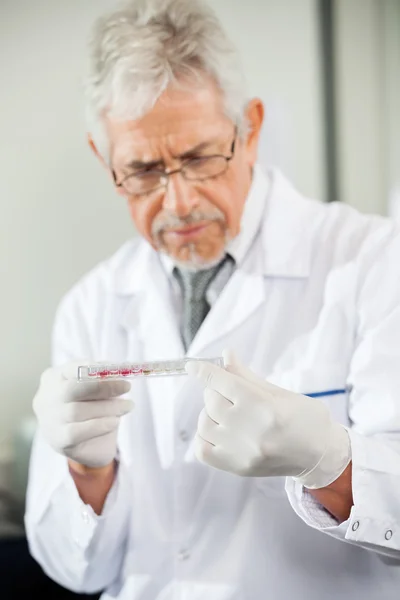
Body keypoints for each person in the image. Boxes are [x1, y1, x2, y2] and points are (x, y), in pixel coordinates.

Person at [25, 1, 400, 598]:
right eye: (143, 171)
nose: (177, 203)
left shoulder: (375, 261)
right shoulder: (90, 305)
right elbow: (76, 571)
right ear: (105, 161)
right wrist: (85, 469)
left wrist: (331, 462)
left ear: (248, 130)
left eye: (200, 158)